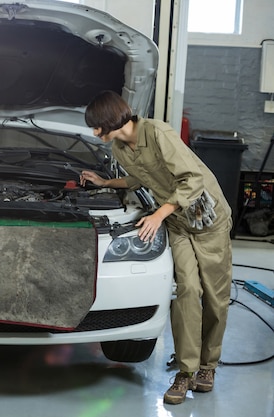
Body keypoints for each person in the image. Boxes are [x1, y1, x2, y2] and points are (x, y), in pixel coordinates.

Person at [80, 90, 232, 405]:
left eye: (96, 126)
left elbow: (192, 180)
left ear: (109, 119)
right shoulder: (121, 149)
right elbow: (138, 179)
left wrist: (157, 215)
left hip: (207, 219)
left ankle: (208, 366)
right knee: (188, 290)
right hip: (177, 222)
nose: (95, 133)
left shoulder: (158, 132)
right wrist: (105, 184)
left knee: (216, 298)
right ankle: (186, 370)